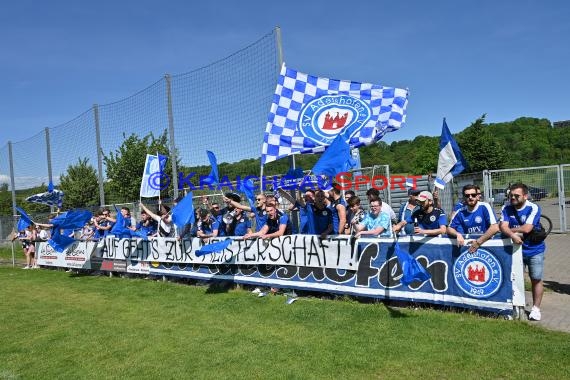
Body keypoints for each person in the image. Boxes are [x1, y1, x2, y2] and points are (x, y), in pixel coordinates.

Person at [499, 183, 546, 321]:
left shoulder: (533, 207)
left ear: (525, 196)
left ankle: (536, 309)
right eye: (511, 195)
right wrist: (512, 234)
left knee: (536, 278)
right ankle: (515, 307)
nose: (512, 198)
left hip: (534, 249)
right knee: (513, 278)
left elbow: (526, 228)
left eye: (516, 195)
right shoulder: (506, 207)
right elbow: (503, 226)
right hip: (513, 249)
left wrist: (505, 230)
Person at [447, 184, 499, 252]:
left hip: (485, 245)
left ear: (477, 196)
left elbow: (495, 227)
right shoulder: (460, 212)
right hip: (470, 247)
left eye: (473, 195)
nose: (470, 197)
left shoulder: (484, 206)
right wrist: (458, 234)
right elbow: (449, 228)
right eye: (467, 195)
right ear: (464, 197)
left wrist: (478, 242)